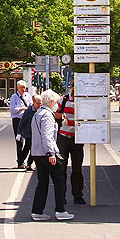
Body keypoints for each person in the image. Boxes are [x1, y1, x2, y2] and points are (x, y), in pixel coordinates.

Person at [28, 89, 73, 221]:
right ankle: (60, 210)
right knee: (59, 181)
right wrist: (51, 153)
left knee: (43, 182)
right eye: (56, 102)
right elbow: (47, 136)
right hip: (46, 153)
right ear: (51, 101)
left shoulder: (37, 113)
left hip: (37, 152)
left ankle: (37, 211)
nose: (57, 105)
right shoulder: (48, 115)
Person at [54, 83, 86, 205]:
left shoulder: (83, 101)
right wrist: (61, 116)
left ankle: (78, 195)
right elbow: (55, 113)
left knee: (77, 168)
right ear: (72, 88)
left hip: (77, 138)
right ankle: (61, 196)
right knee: (62, 168)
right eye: (75, 87)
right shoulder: (64, 99)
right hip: (63, 137)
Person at [9, 81, 32, 168]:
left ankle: (21, 158)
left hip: (26, 120)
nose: (23, 89)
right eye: (21, 87)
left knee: (28, 140)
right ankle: (20, 162)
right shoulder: (14, 97)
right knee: (19, 141)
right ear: (17, 88)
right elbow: (12, 110)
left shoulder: (28, 96)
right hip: (17, 120)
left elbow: (30, 106)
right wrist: (21, 109)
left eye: (24, 87)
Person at [16, 93, 41, 171]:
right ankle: (21, 160)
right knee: (28, 147)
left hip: (37, 133)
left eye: (41, 103)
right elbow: (22, 122)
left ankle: (29, 164)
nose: (40, 105)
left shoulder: (41, 110)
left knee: (34, 149)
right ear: (34, 102)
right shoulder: (28, 111)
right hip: (28, 132)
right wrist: (19, 133)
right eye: (38, 103)